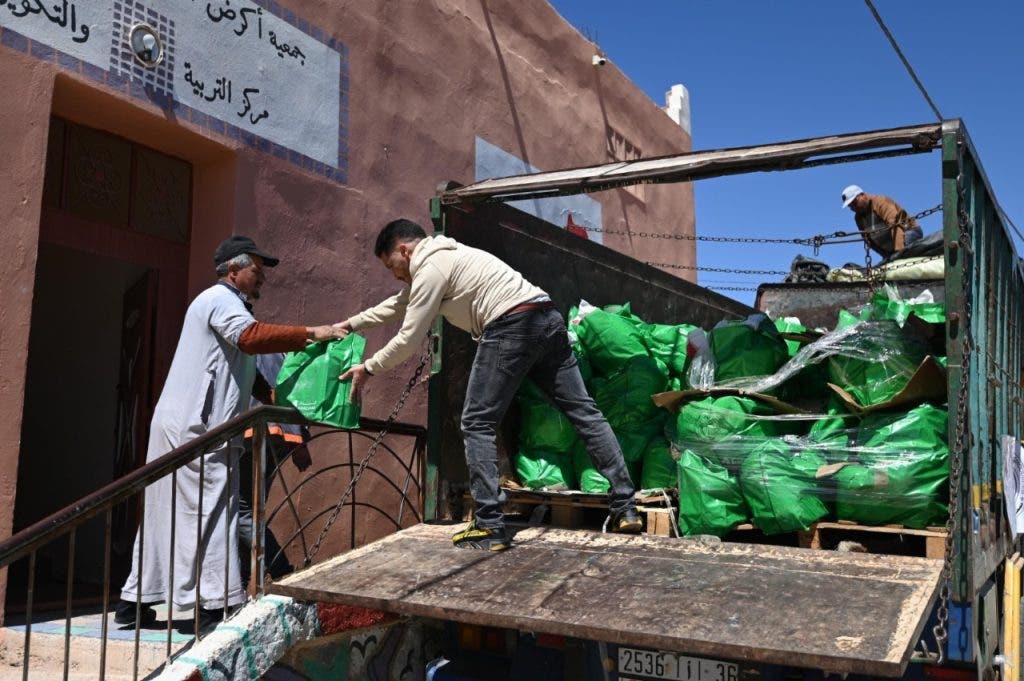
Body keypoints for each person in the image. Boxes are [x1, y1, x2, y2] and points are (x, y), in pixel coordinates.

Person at [336, 219, 643, 552]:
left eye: (392, 265)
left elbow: (409, 339)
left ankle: (489, 524)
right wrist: (347, 325)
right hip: (546, 316)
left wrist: (368, 367)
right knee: (584, 412)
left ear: (404, 250)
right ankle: (625, 507)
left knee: (477, 422)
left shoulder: (430, 267)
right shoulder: (445, 258)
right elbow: (396, 306)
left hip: (509, 324)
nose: (395, 274)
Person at [115, 236, 348, 631]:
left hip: (181, 421)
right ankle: (212, 608)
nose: (262, 279)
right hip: (200, 426)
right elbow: (251, 339)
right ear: (233, 270)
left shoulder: (222, 305)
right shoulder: (222, 300)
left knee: (167, 512)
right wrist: (314, 332)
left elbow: (250, 372)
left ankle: (134, 603)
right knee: (215, 509)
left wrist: (280, 401)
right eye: (257, 270)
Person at [238, 352, 311, 586]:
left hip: (257, 435)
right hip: (275, 436)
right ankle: (243, 578)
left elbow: (275, 393)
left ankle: (280, 568)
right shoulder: (278, 351)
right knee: (250, 510)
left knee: (240, 512)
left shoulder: (251, 347)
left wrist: (298, 440)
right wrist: (298, 439)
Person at [841, 185, 924, 259]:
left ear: (862, 195)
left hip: (907, 234)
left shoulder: (880, 202)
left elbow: (895, 225)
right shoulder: (858, 217)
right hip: (890, 249)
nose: (854, 208)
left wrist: (899, 252)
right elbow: (868, 241)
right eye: (850, 207)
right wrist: (885, 256)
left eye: (855, 203)